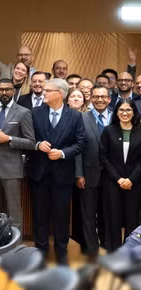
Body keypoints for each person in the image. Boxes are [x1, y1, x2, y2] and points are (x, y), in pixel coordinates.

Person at [29, 78, 86, 265]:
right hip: (39, 174)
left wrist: (62, 153)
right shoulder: (35, 113)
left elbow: (80, 143)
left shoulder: (75, 117)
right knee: (39, 216)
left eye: (47, 90)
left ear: (60, 94)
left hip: (63, 176)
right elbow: (27, 139)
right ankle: (40, 254)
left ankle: (62, 255)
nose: (43, 93)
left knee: (62, 218)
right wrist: (37, 145)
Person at [0, 79, 35, 232]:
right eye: (1, 89)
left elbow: (31, 142)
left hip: (12, 168)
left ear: (13, 91)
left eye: (7, 89)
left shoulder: (23, 112)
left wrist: (9, 138)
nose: (4, 92)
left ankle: (14, 246)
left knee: (14, 211)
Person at [100, 99, 141, 252]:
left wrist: (131, 179)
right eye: (121, 110)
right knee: (113, 219)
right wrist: (119, 179)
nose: (125, 113)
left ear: (134, 112)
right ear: (116, 112)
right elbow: (103, 158)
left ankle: (131, 253)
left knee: (133, 219)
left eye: (128, 110)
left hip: (135, 183)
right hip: (112, 182)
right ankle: (114, 254)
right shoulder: (108, 130)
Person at [76, 85, 111, 259]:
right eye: (96, 96)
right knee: (88, 213)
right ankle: (91, 248)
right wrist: (78, 173)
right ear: (91, 98)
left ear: (109, 99)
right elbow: (77, 148)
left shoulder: (118, 116)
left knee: (108, 211)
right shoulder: (82, 118)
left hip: (113, 175)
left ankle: (107, 242)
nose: (99, 99)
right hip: (88, 173)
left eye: (103, 96)